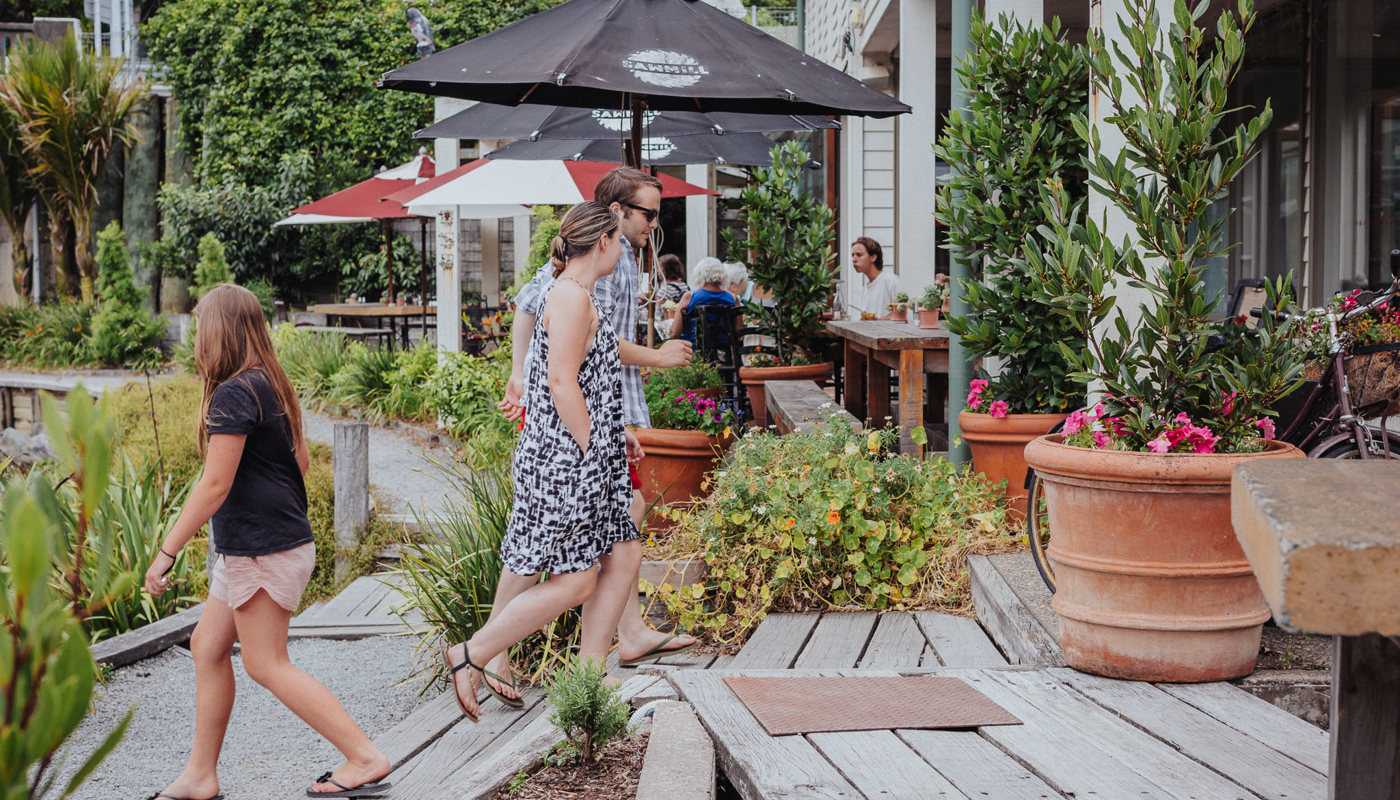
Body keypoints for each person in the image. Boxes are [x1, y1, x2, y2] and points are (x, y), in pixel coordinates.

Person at [144, 284, 390, 800]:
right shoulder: (273, 384)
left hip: (263, 548)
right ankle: (200, 776)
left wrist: (166, 551)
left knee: (265, 663)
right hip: (261, 545)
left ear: (218, 333)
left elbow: (215, 484)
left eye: (200, 328)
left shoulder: (234, 392)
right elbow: (296, 463)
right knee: (207, 646)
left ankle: (365, 756)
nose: (195, 343)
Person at [493, 167, 697, 697]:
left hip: (603, 414)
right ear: (616, 215)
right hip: (576, 433)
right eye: (649, 213)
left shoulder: (612, 261)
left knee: (620, 531)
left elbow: (586, 340)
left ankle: (615, 642)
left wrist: (607, 430)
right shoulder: (591, 267)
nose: (656, 223)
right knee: (548, 549)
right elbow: (537, 316)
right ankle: (488, 650)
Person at [443, 202, 636, 720]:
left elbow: (588, 382)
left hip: (576, 452)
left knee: (624, 552)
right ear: (601, 242)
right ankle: (474, 653)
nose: (623, 249)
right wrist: (593, 446)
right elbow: (559, 381)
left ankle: (585, 677)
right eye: (619, 240)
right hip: (568, 458)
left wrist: (614, 437)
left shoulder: (575, 294)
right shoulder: (571, 297)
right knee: (576, 579)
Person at [671, 257, 738, 342]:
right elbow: (738, 332)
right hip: (724, 351)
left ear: (699, 275)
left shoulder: (689, 297)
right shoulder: (733, 298)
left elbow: (675, 333)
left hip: (693, 350)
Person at [851, 236, 900, 320]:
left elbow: (903, 316)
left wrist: (876, 321)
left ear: (873, 257)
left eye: (859, 255)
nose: (854, 259)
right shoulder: (867, 287)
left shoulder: (890, 280)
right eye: (853, 255)